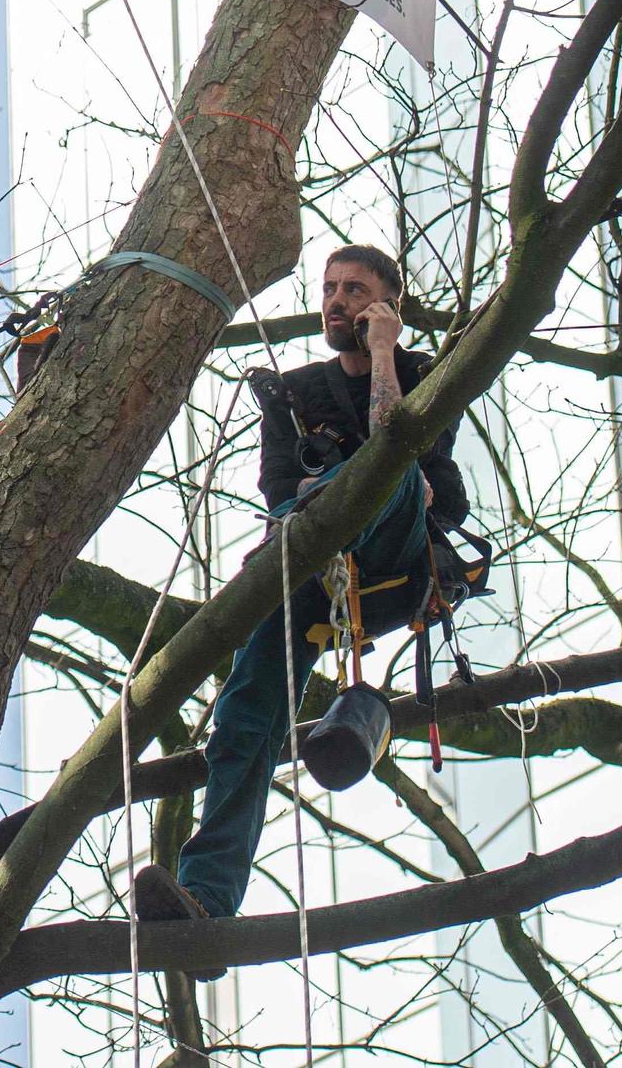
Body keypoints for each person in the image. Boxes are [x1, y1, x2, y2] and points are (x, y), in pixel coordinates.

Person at [132, 242, 468, 953]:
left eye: (355, 290)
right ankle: (206, 901)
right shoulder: (291, 396)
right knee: (243, 716)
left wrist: (384, 353)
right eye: (330, 289)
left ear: (387, 306)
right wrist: (317, 505)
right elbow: (280, 496)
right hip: (315, 572)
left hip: (396, 564)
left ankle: (346, 496)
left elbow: (404, 445)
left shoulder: (423, 376)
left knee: (390, 464)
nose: (337, 301)